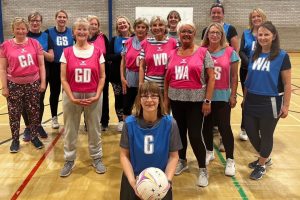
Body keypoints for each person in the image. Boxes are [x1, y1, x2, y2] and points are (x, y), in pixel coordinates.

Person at [164, 21, 215, 187]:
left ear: (195, 34)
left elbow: (211, 78)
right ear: (179, 34)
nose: (186, 34)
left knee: (194, 135)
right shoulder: (172, 53)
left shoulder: (203, 52)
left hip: (195, 102)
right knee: (179, 134)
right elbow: (167, 79)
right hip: (176, 100)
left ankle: (202, 168)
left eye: (190, 31)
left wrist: (207, 100)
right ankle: (183, 161)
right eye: (183, 31)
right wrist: (166, 101)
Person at [243, 21, 291, 180]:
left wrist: (286, 105)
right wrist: (245, 96)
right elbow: (248, 78)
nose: (262, 37)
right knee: (250, 132)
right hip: (251, 99)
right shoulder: (254, 54)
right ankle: (265, 156)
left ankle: (262, 164)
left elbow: (287, 83)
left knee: (266, 134)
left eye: (266, 34)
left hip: (270, 101)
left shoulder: (282, 56)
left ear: (274, 36)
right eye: (260, 34)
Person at [59, 18, 106, 177]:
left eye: (85, 29)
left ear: (89, 32)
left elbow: (102, 77)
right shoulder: (66, 52)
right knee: (71, 129)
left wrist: (98, 94)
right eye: (79, 29)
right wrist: (71, 97)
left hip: (93, 95)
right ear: (73, 32)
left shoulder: (98, 52)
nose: (82, 32)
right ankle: (69, 159)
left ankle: (97, 157)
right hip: (72, 96)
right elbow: (63, 78)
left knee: (94, 129)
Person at [120, 82, 182, 200]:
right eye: (145, 96)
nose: (149, 100)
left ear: (160, 100)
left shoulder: (170, 123)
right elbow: (124, 156)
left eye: (154, 96)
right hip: (135, 179)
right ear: (139, 100)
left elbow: (174, 157)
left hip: (161, 182)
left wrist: (166, 181)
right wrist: (133, 182)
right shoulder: (129, 123)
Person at [0, 17, 46, 152]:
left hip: (33, 83)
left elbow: (42, 65)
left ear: (27, 30)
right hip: (14, 84)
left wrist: (43, 82)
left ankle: (34, 136)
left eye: (23, 28)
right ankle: (15, 140)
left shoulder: (34, 43)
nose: (20, 31)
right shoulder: (5, 46)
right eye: (17, 28)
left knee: (34, 112)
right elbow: (3, 68)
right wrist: (5, 87)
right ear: (13, 30)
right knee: (14, 114)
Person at [201, 22, 239, 176]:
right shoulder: (202, 51)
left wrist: (233, 94)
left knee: (224, 127)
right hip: (205, 96)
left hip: (223, 95)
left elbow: (234, 76)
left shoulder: (230, 51)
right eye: (212, 32)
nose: (214, 35)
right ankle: (209, 151)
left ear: (222, 35)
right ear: (207, 35)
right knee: (206, 126)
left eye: (218, 32)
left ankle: (230, 159)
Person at [22, 11, 54, 141]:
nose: (35, 23)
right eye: (32, 21)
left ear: (41, 22)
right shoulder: (22, 35)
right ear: (29, 22)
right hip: (25, 74)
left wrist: (39, 49)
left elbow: (51, 58)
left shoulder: (46, 36)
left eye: (38, 21)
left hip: (42, 73)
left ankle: (38, 124)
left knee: (38, 101)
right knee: (25, 102)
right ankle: (29, 127)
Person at [239, 8, 267, 141]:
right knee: (247, 99)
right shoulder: (246, 33)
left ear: (263, 18)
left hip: (262, 72)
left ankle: (259, 128)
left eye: (258, 16)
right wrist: (249, 64)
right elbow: (241, 51)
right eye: (253, 16)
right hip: (246, 71)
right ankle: (244, 128)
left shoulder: (268, 33)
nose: (256, 18)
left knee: (260, 100)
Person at [46, 10, 73, 129]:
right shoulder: (48, 32)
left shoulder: (72, 32)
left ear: (67, 19)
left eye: (64, 17)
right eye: (59, 17)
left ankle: (70, 117)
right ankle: (54, 117)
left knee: (68, 93)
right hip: (55, 66)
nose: (62, 19)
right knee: (55, 92)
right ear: (55, 18)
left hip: (69, 66)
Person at [107, 16, 134, 132]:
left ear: (128, 24)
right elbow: (108, 56)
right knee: (119, 98)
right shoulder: (114, 40)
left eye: (124, 22)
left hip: (132, 74)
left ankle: (130, 119)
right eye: (119, 24)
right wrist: (122, 55)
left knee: (130, 98)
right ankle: (121, 120)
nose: (122, 25)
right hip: (116, 75)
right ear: (117, 27)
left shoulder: (135, 38)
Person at [120, 17, 149, 120]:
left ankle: (145, 125)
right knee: (127, 105)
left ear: (147, 29)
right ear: (135, 28)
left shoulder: (151, 42)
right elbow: (123, 62)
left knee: (144, 104)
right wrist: (122, 78)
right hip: (131, 76)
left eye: (143, 27)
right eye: (138, 27)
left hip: (146, 77)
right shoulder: (128, 42)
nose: (140, 29)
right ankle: (126, 128)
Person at [139, 16, 178, 90]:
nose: (157, 27)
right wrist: (141, 84)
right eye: (154, 25)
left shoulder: (173, 43)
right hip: (149, 85)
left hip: (168, 86)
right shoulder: (145, 43)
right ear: (151, 28)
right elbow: (142, 67)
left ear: (165, 27)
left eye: (160, 25)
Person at [87, 15, 110, 131]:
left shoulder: (103, 37)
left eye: (96, 24)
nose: (94, 26)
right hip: (87, 74)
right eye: (92, 23)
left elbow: (109, 54)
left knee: (103, 96)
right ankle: (88, 123)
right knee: (88, 98)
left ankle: (104, 121)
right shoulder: (82, 37)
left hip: (101, 73)